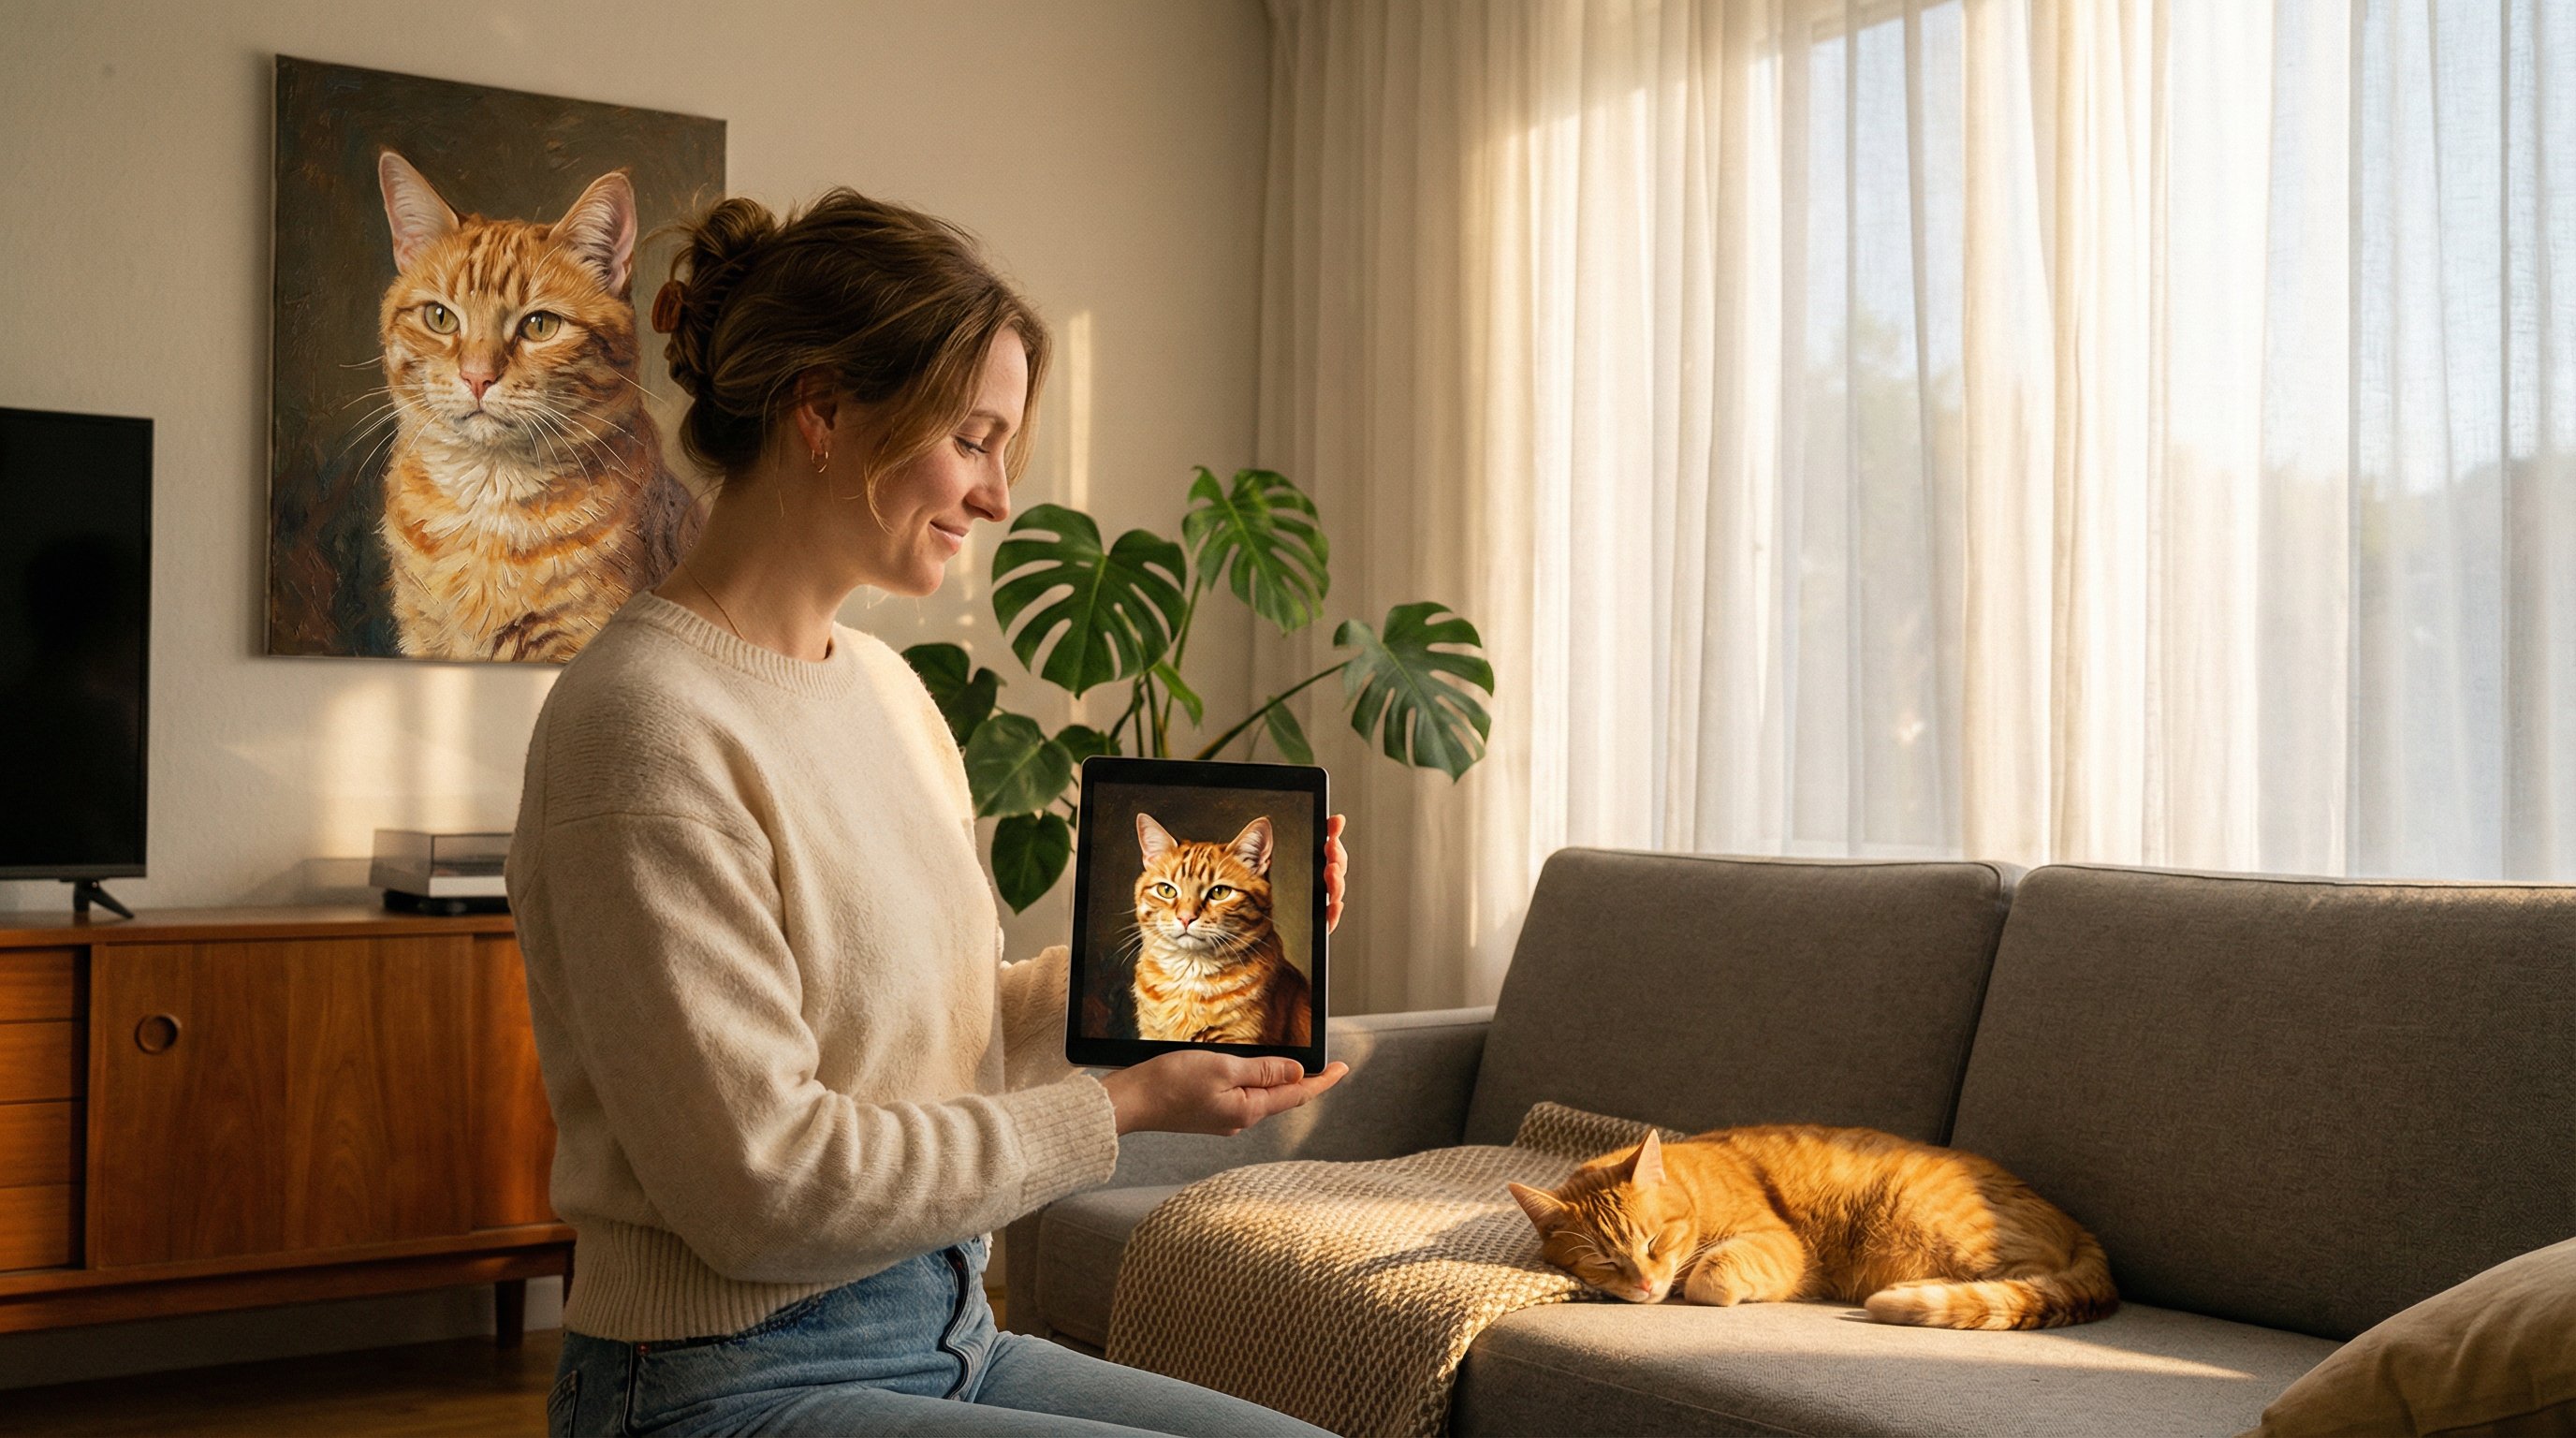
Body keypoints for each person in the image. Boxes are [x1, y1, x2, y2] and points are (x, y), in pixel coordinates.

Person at [505, 187, 1349, 1437]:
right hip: (721, 1382)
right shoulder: (645, 726)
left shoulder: (893, 698)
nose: (999, 495)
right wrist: (1115, 1109)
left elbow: (946, 1034)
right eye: (974, 437)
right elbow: (762, 1187)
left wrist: (1197, 979)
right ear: (825, 410)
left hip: (948, 1333)